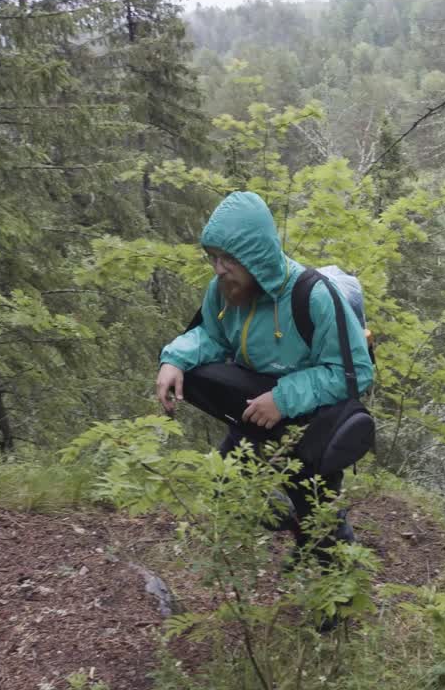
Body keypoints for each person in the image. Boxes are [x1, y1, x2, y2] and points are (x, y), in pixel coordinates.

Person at [154, 190, 373, 565]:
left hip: (312, 424)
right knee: (227, 491)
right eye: (214, 257)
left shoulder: (314, 297)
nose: (218, 269)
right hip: (255, 415)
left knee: (321, 519)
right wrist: (175, 358)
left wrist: (282, 400)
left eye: (228, 259)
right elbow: (212, 336)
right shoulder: (224, 291)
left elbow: (353, 372)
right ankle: (297, 528)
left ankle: (337, 583)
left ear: (256, 255)